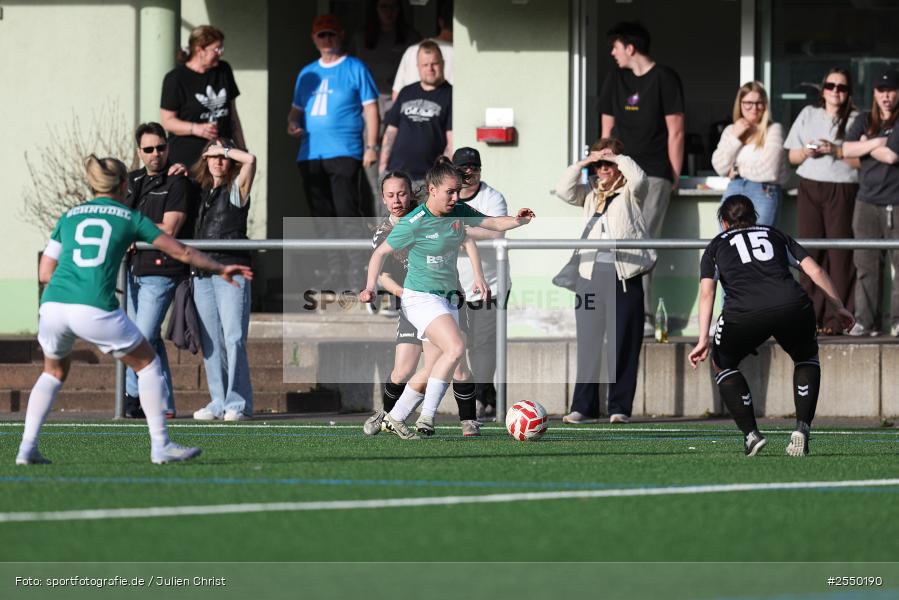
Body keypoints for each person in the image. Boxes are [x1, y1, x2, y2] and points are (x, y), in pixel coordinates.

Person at [16, 155, 252, 465]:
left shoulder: (69, 216)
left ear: (92, 185)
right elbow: (180, 250)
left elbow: (45, 272)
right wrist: (219, 267)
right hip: (93, 306)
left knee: (53, 372)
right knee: (148, 364)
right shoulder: (128, 216)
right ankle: (161, 445)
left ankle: (26, 448)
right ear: (124, 185)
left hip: (53, 306)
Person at [360, 158, 535, 440]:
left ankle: (394, 417)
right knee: (455, 347)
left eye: (457, 191)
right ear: (431, 190)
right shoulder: (414, 221)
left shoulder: (458, 212)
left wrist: (519, 220)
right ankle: (427, 418)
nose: (456, 197)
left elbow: (490, 222)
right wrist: (370, 287)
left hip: (448, 299)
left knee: (433, 366)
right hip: (420, 298)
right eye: (450, 192)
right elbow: (379, 254)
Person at [689, 195, 854, 457]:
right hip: (792, 304)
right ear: (755, 218)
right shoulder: (775, 234)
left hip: (744, 313)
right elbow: (815, 271)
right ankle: (801, 429)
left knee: (723, 363)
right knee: (806, 357)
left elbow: (707, 293)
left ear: (724, 223)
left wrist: (702, 339)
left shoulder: (715, 246)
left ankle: (751, 435)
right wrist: (839, 307)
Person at [364, 170, 482, 437]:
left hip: (442, 297)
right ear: (383, 199)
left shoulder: (432, 213)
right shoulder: (384, 232)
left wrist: (479, 276)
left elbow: (467, 236)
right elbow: (383, 274)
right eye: (390, 195)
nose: (397, 200)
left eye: (402, 193)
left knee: (453, 361)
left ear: (411, 193)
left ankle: (466, 420)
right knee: (403, 368)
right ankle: (391, 416)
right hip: (414, 301)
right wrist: (402, 294)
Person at [555, 138, 657, 425]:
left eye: (607, 164)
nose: (603, 169)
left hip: (624, 277)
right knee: (588, 343)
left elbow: (640, 178)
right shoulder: (589, 194)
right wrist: (585, 162)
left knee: (623, 344)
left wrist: (617, 158)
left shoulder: (631, 193)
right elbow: (564, 190)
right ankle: (583, 407)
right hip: (588, 277)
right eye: (599, 165)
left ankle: (619, 407)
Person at [599, 21, 684, 338]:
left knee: (642, 243)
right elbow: (606, 133)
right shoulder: (615, 79)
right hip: (620, 175)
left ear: (630, 47)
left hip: (655, 175)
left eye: (615, 47)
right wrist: (602, 170)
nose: (612, 53)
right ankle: (623, 314)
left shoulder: (664, 78)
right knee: (617, 243)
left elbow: (676, 130)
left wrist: (674, 175)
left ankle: (645, 316)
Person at [288, 14, 380, 289]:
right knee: (322, 218)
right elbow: (295, 111)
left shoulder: (355, 67)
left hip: (345, 151)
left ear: (340, 36)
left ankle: (355, 272)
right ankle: (334, 272)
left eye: (331, 34)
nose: (327, 40)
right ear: (314, 39)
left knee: (347, 214)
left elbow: (371, 108)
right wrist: (292, 123)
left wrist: (372, 145)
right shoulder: (307, 73)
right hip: (311, 155)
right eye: (321, 35)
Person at [121, 122, 193, 419]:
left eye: (160, 148)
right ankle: (163, 404)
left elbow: (170, 228)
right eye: (148, 149)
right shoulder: (131, 180)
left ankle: (132, 396)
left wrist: (132, 234)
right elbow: (117, 218)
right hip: (132, 272)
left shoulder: (177, 180)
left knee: (140, 336)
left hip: (161, 271)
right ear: (139, 152)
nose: (155, 154)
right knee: (146, 338)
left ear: (168, 147)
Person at [783, 68, 860, 336]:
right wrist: (806, 151)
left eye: (842, 87)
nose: (835, 91)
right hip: (809, 185)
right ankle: (809, 318)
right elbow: (791, 157)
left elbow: (862, 161)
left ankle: (839, 320)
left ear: (849, 92)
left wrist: (835, 150)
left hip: (843, 186)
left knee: (839, 255)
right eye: (830, 86)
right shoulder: (808, 114)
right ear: (822, 89)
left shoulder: (857, 119)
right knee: (809, 253)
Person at [190, 139, 257, 421]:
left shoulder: (235, 189)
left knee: (234, 338)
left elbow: (251, 160)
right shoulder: (201, 192)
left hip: (232, 271)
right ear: (204, 159)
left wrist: (225, 150)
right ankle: (218, 401)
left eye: (223, 156)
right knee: (212, 341)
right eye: (212, 156)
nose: (218, 161)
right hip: (203, 274)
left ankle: (237, 404)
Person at [452, 147, 508, 420]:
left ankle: (476, 398)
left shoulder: (492, 197)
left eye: (474, 166)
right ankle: (488, 396)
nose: (469, 171)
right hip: (452, 285)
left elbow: (496, 230)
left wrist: (459, 232)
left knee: (484, 345)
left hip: (491, 285)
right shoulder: (445, 198)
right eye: (463, 167)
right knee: (461, 345)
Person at [842, 69, 899, 337]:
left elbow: (891, 156)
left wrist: (865, 144)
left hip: (895, 203)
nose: (886, 96)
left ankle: (897, 322)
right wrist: (876, 141)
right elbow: (845, 150)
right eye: (881, 90)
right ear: (874, 93)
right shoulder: (864, 118)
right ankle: (866, 322)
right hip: (865, 203)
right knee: (865, 265)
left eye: (891, 90)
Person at [160, 25, 245, 169]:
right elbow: (168, 121)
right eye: (216, 49)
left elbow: (233, 115)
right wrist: (196, 128)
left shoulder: (224, 71)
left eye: (221, 49)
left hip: (221, 159)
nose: (220, 53)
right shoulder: (175, 78)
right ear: (200, 50)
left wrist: (242, 150)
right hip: (188, 160)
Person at [712, 81, 789, 227]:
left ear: (765, 104)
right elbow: (719, 165)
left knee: (758, 240)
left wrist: (737, 169)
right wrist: (736, 137)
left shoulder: (773, 129)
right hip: (734, 188)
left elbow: (770, 170)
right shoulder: (731, 130)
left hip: (764, 190)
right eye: (748, 103)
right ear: (740, 104)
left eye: (759, 103)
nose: (754, 108)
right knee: (728, 240)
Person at [380, 40, 452, 193]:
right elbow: (391, 131)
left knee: (423, 218)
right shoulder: (406, 92)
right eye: (425, 65)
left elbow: (451, 142)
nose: (430, 69)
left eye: (434, 63)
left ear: (443, 64)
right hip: (394, 176)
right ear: (418, 67)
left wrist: (442, 177)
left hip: (426, 180)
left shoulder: (450, 94)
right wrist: (382, 168)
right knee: (389, 218)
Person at [354, 0, 420, 115]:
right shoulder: (360, 38)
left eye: (393, 6)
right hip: (365, 101)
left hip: (398, 100)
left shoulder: (411, 38)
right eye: (383, 6)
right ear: (375, 9)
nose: (389, 11)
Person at [391, 0, 453, 100]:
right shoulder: (461, 54)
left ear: (441, 22)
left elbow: (396, 96)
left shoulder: (412, 50)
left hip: (409, 113)